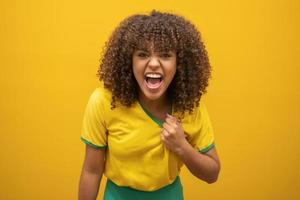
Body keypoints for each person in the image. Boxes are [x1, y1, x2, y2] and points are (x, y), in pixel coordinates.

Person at [78, 10, 221, 200]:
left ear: (179, 63)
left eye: (165, 55)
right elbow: (91, 171)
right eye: (143, 54)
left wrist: (182, 147)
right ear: (129, 61)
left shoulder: (189, 106)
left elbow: (212, 173)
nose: (153, 63)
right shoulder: (104, 102)